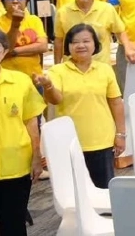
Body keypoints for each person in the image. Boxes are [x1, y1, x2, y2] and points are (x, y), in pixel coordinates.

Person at [0, 28, 44, 236]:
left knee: (14, 218)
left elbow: (32, 122)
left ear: (5, 52)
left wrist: (36, 157)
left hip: (16, 163)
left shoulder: (20, 82)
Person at [38, 23, 125, 188]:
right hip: (69, 141)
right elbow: (55, 100)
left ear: (95, 44)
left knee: (103, 191)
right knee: (74, 192)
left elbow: (116, 103)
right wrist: (48, 86)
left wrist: (121, 134)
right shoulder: (58, 71)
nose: (81, 45)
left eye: (86, 41)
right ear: (68, 46)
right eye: (74, 42)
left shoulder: (105, 70)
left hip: (102, 140)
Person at [0, 0, 47, 77]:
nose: (15, 1)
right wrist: (15, 24)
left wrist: (15, 51)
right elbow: (2, 51)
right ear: (3, 2)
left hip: (35, 77)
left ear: (26, 2)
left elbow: (43, 46)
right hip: (9, 78)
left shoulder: (34, 20)